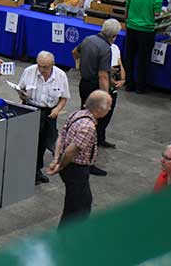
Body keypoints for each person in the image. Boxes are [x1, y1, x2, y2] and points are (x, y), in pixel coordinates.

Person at [47, 90, 113, 225]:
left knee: (82, 202)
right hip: (75, 169)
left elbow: (61, 137)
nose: (110, 109)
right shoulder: (88, 127)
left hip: (70, 167)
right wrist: (60, 165)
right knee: (77, 208)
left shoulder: (77, 114)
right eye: (108, 106)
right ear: (99, 109)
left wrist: (56, 158)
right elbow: (71, 151)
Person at [18, 51, 69, 185]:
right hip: (30, 109)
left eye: (45, 67)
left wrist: (57, 109)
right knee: (29, 143)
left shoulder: (61, 76)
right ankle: (26, 171)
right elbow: (21, 89)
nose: (41, 70)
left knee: (43, 144)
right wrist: (22, 95)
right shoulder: (29, 71)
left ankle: (36, 170)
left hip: (49, 113)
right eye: (39, 66)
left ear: (52, 64)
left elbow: (64, 98)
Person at [73, 19, 121, 162]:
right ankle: (88, 151)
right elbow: (103, 75)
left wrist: (79, 66)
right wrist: (106, 96)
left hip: (84, 83)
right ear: (114, 36)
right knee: (95, 119)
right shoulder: (106, 49)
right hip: (94, 87)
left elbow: (75, 52)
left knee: (84, 114)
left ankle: (97, 139)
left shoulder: (88, 40)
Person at [124, 0, 162, 94]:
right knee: (143, 59)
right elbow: (156, 14)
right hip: (147, 30)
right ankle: (141, 87)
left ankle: (129, 84)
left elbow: (127, 9)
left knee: (129, 57)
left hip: (131, 27)